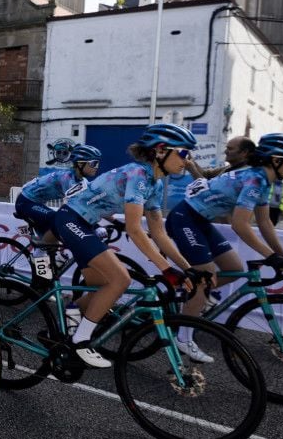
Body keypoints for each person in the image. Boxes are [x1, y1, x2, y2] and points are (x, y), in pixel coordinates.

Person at [52, 123, 197, 368]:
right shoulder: (138, 175)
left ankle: (74, 311)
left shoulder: (155, 183)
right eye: (183, 153)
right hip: (70, 219)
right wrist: (166, 269)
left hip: (85, 223)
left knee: (102, 286)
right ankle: (80, 341)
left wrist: (187, 268)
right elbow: (134, 229)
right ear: (161, 151)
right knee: (121, 280)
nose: (188, 159)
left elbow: (159, 232)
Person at [165, 132, 283, 362]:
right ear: (277, 160)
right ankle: (184, 338)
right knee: (205, 276)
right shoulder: (255, 180)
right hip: (185, 218)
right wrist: (271, 257)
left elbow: (265, 222)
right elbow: (240, 225)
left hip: (199, 221)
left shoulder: (263, 180)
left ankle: (190, 295)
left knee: (232, 267)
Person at [14, 144, 102, 277]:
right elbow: (78, 206)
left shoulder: (82, 181)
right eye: (94, 163)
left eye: (98, 163)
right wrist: (95, 225)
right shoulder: (67, 178)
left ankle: (41, 279)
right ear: (80, 163)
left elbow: (93, 201)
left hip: (37, 203)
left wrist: (116, 222)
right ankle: (40, 261)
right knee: (57, 220)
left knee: (49, 243)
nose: (97, 167)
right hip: (26, 202)